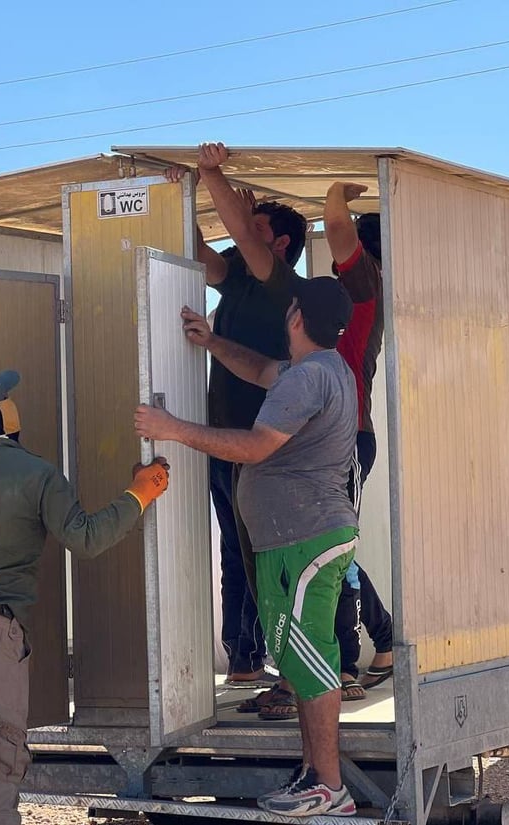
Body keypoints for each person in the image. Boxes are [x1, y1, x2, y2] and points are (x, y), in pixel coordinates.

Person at [0, 322, 170, 825]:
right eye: (8, 398)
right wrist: (140, 493)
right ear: (2, 414)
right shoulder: (38, 475)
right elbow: (86, 537)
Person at [135, 273, 359, 817]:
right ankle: (313, 775)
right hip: (299, 537)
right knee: (301, 660)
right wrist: (212, 342)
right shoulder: (319, 369)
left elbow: (256, 447)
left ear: (296, 317)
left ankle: (329, 787)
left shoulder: (309, 379)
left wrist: (174, 428)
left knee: (311, 660)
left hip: (303, 538)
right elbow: (260, 369)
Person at [166, 149, 309, 689]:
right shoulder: (241, 279)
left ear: (281, 245)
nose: (244, 230)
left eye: (257, 227)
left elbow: (242, 238)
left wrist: (211, 174)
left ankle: (292, 668)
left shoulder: (280, 284)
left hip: (261, 446)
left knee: (263, 559)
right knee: (235, 552)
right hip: (224, 443)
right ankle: (244, 659)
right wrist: (179, 195)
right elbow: (196, 250)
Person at [322, 181, 395, 696]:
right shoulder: (350, 299)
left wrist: (335, 192)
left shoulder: (365, 284)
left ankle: (350, 660)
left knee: (334, 551)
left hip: (348, 438)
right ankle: (376, 640)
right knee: (331, 550)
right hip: (339, 438)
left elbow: (335, 227)